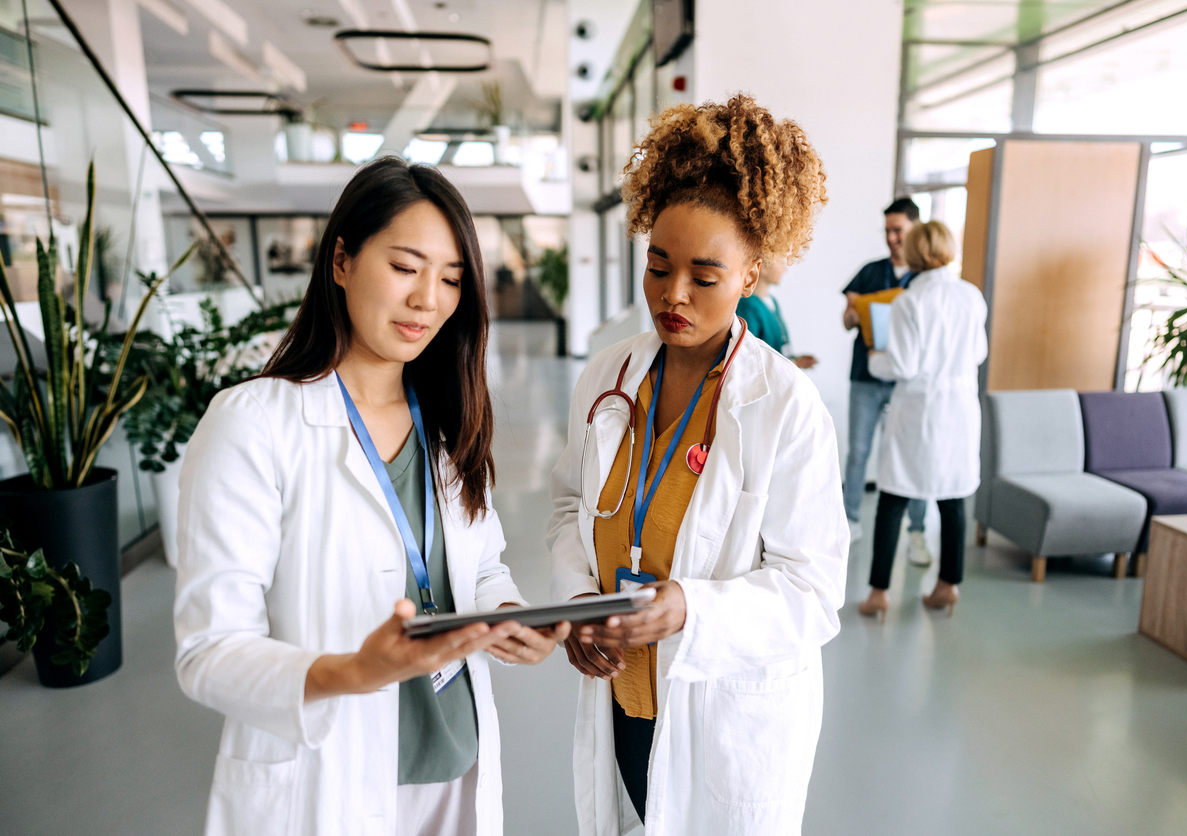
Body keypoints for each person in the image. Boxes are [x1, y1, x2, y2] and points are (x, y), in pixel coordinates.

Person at [173, 158, 568, 836]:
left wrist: (507, 614)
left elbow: (479, 568)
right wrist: (354, 670)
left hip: (456, 765)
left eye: (450, 278)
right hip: (328, 781)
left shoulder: (447, 423)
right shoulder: (253, 424)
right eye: (406, 266)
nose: (428, 300)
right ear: (341, 261)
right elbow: (207, 652)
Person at [548, 95, 848, 836]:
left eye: (704, 277)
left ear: (751, 274)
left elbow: (812, 591)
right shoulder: (607, 378)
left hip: (726, 712)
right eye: (657, 265)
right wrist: (580, 603)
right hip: (623, 697)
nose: (671, 295)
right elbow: (566, 507)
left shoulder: (784, 405)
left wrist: (690, 608)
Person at [857, 220, 987, 618]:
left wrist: (874, 358)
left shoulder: (910, 301)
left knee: (894, 497)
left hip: (920, 409)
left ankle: (879, 594)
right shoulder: (971, 295)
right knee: (952, 498)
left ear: (914, 254)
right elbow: (979, 353)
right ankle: (948, 585)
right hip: (961, 408)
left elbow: (904, 364)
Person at [842, 198, 930, 564]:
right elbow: (846, 321)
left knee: (914, 453)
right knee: (859, 452)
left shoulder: (927, 280)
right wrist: (854, 309)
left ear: (916, 230)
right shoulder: (869, 272)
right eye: (889, 232)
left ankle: (918, 532)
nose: (893, 238)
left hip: (907, 382)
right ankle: (850, 520)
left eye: (899, 231)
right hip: (866, 377)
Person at [735, 260, 817, 368]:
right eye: (781, 263)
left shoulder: (772, 302)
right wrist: (793, 364)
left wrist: (793, 360)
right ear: (763, 267)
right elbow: (747, 355)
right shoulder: (748, 306)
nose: (785, 270)